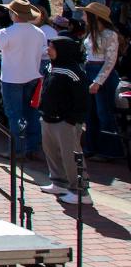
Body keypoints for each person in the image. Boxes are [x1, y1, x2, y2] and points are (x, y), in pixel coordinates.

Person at [0, 0, 45, 159]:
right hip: (32, 76)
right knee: (31, 113)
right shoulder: (39, 32)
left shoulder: (6, 33)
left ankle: (17, 150)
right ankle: (32, 148)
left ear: (14, 14)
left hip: (12, 78)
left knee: (15, 115)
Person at [38, 33, 92, 204]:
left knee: (71, 155)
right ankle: (59, 182)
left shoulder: (74, 72)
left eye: (52, 47)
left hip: (66, 121)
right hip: (48, 117)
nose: (48, 50)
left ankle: (81, 192)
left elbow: (82, 98)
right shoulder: (50, 67)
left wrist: (73, 119)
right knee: (51, 151)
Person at [81, 1, 123, 160]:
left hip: (102, 73)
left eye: (86, 13)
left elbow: (110, 61)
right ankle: (92, 147)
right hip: (90, 69)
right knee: (90, 113)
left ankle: (110, 151)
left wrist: (98, 81)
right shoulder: (92, 33)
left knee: (104, 113)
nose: (83, 16)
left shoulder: (109, 34)